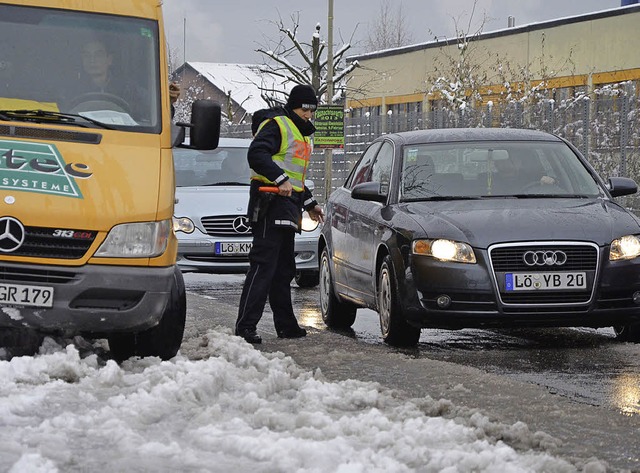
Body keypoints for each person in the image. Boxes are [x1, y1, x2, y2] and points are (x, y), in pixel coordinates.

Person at [235, 84, 325, 344]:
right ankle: (245, 327)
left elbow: (296, 177)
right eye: (304, 109)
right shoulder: (277, 124)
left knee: (284, 269)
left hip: (289, 207)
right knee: (263, 266)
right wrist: (279, 179)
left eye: (312, 110)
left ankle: (286, 325)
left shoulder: (302, 133)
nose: (308, 114)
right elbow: (256, 154)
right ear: (293, 106)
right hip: (269, 202)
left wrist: (310, 203)